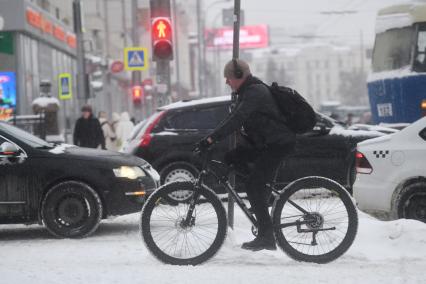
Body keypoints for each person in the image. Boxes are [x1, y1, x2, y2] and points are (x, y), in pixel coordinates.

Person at [199, 59, 296, 251]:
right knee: (231, 158)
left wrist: (211, 140)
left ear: (238, 76)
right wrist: (211, 137)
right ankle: (260, 202)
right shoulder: (247, 92)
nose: (227, 82)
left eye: (228, 78)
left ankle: (266, 236)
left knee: (253, 185)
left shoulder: (254, 92)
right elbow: (231, 118)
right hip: (264, 143)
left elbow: (236, 119)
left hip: (277, 144)